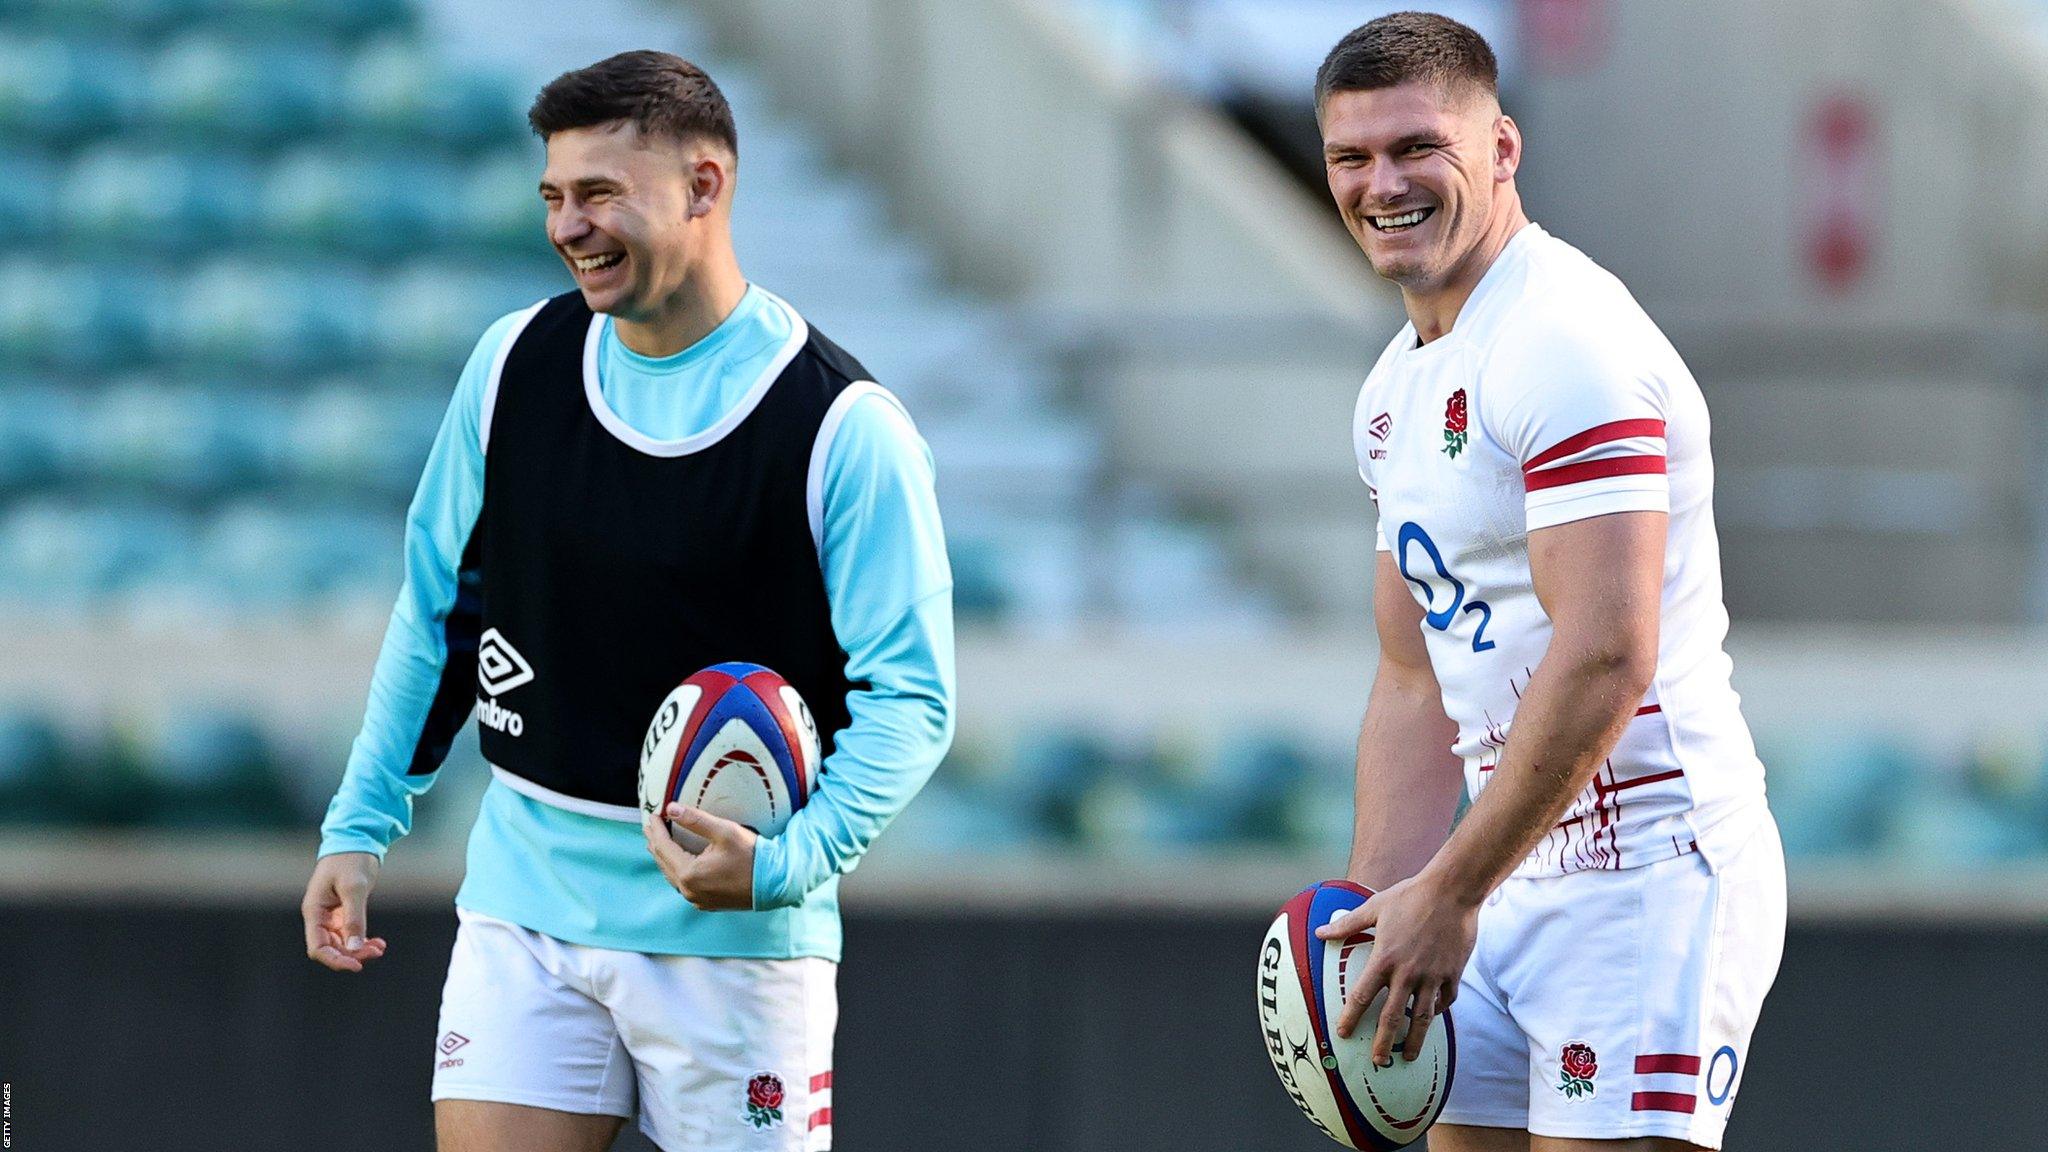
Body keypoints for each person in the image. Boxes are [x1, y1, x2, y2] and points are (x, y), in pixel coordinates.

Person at [299, 50, 954, 1152]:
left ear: (705, 187)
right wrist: (361, 822)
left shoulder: (846, 428)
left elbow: (911, 699)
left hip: (733, 942)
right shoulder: (512, 366)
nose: (568, 227)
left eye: (600, 194)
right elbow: (437, 613)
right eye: (553, 197)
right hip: (525, 907)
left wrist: (787, 864)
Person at [1312, 14, 1784, 1152]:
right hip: (1499, 868)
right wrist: (1378, 913)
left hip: (1646, 871)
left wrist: (1450, 890)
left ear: (1502, 148)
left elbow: (1606, 651)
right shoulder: (1391, 388)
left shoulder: (1565, 340)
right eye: (1350, 158)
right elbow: (1410, 676)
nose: (1382, 184)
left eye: (1416, 147)